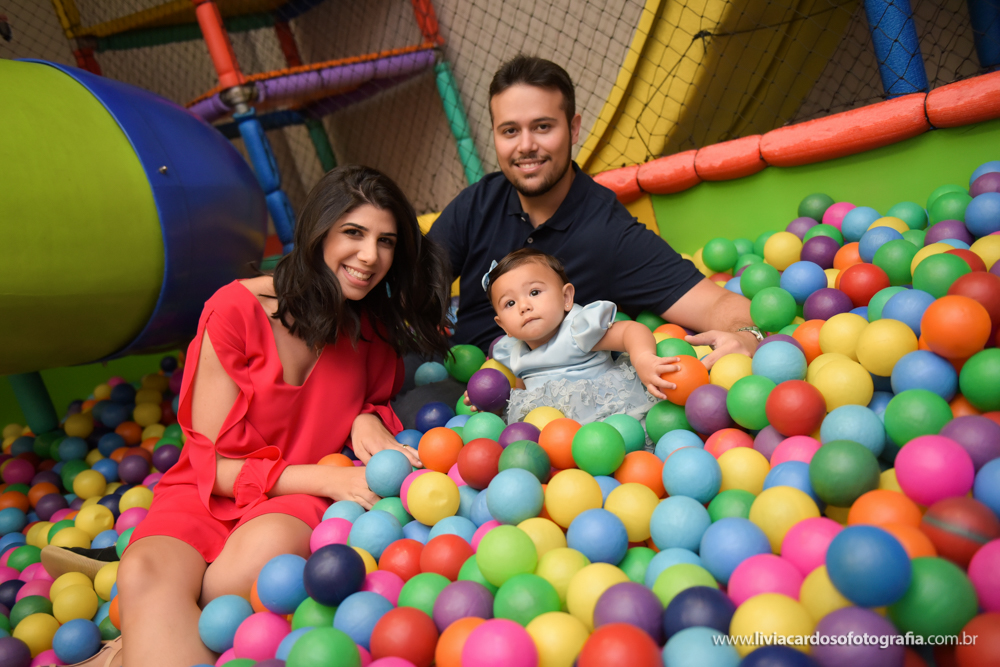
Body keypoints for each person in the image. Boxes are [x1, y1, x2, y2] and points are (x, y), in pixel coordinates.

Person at [105, 165, 452, 667]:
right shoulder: (236, 310)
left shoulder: (372, 329)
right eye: (353, 233)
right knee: (142, 571)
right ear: (318, 234)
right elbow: (213, 465)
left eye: (386, 241)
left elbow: (366, 395)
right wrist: (331, 479)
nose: (370, 256)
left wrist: (365, 417)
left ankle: (128, 646)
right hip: (214, 491)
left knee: (242, 575)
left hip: (294, 498)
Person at [485, 248, 678, 426]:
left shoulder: (579, 331)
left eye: (534, 292)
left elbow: (630, 330)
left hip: (608, 418)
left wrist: (643, 357)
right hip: (552, 434)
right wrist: (492, 403)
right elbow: (522, 395)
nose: (524, 306)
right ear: (503, 325)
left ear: (566, 298)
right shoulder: (514, 353)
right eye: (510, 303)